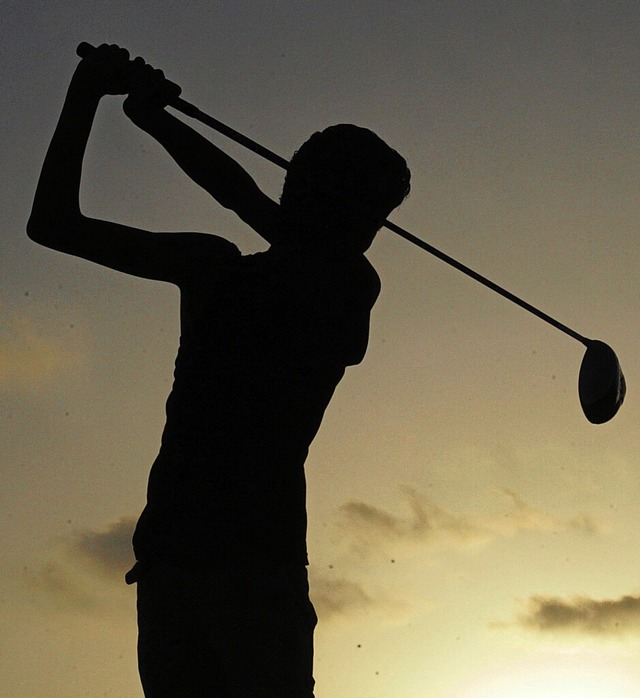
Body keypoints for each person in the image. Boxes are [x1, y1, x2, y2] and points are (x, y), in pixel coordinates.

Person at [28, 44, 410, 697]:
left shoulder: (242, 273)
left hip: (184, 564)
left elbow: (57, 223)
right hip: (240, 569)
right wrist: (149, 120)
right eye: (372, 215)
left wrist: (94, 95)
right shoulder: (347, 287)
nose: (372, 232)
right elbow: (252, 205)